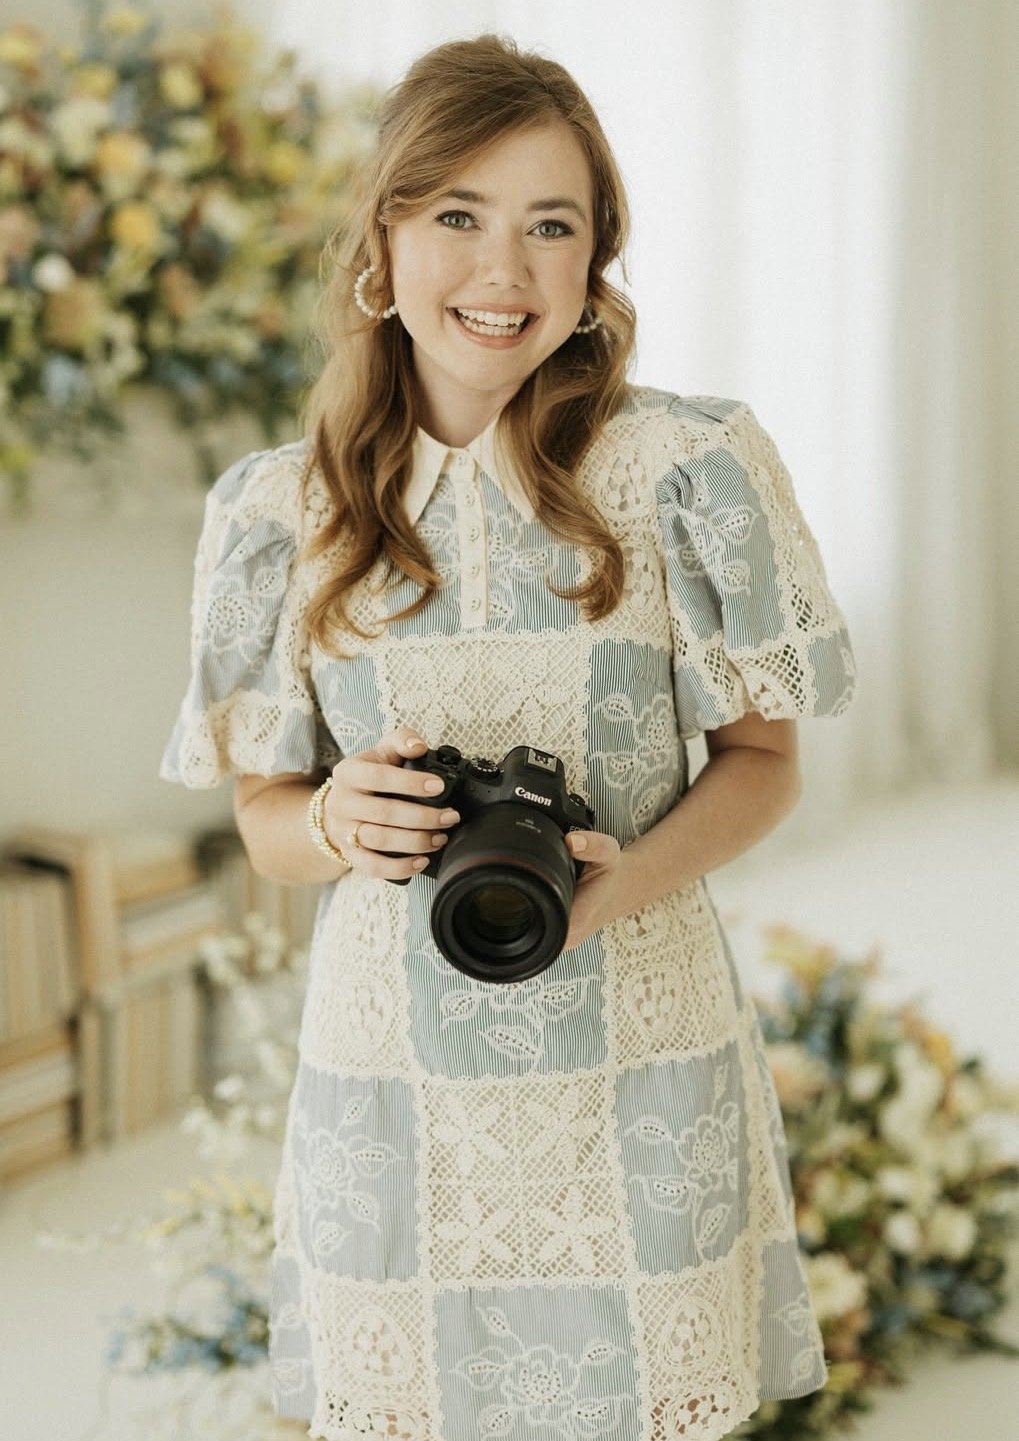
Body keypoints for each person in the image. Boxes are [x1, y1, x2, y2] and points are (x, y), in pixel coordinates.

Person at [160, 32, 856, 1441]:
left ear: (597, 260)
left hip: (637, 1042)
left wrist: (616, 887)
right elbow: (264, 817)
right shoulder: (271, 513)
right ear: (384, 241)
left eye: (553, 226)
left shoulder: (691, 467)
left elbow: (766, 762)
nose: (504, 271)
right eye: (458, 219)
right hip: (392, 1062)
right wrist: (340, 822)